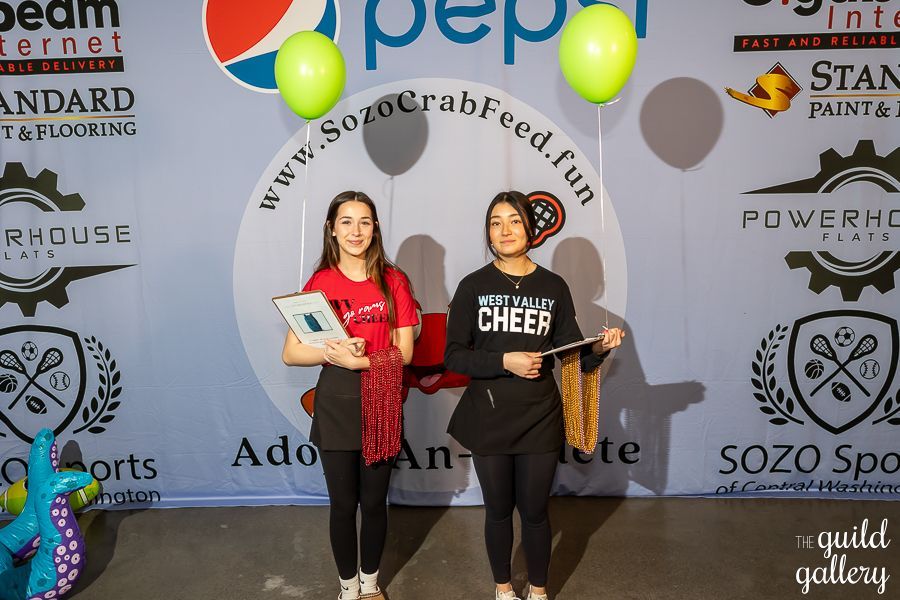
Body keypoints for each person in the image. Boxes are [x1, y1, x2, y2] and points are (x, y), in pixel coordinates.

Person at [444, 191, 625, 600]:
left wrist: (598, 348)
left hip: (540, 416)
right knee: (497, 512)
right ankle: (504, 589)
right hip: (488, 416)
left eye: (513, 221)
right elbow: (454, 356)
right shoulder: (473, 286)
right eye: (495, 222)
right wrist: (503, 361)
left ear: (531, 229)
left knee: (536, 513)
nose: (504, 230)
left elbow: (571, 354)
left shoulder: (553, 286)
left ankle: (539, 591)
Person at [282, 191, 418, 600]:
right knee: (343, 505)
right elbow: (291, 353)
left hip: (381, 398)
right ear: (331, 228)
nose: (355, 231)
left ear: (375, 227)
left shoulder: (394, 281)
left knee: (375, 504)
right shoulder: (320, 283)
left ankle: (371, 585)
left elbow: (406, 352)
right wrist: (333, 352)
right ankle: (347, 588)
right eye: (346, 221)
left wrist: (364, 362)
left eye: (364, 221)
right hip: (337, 402)